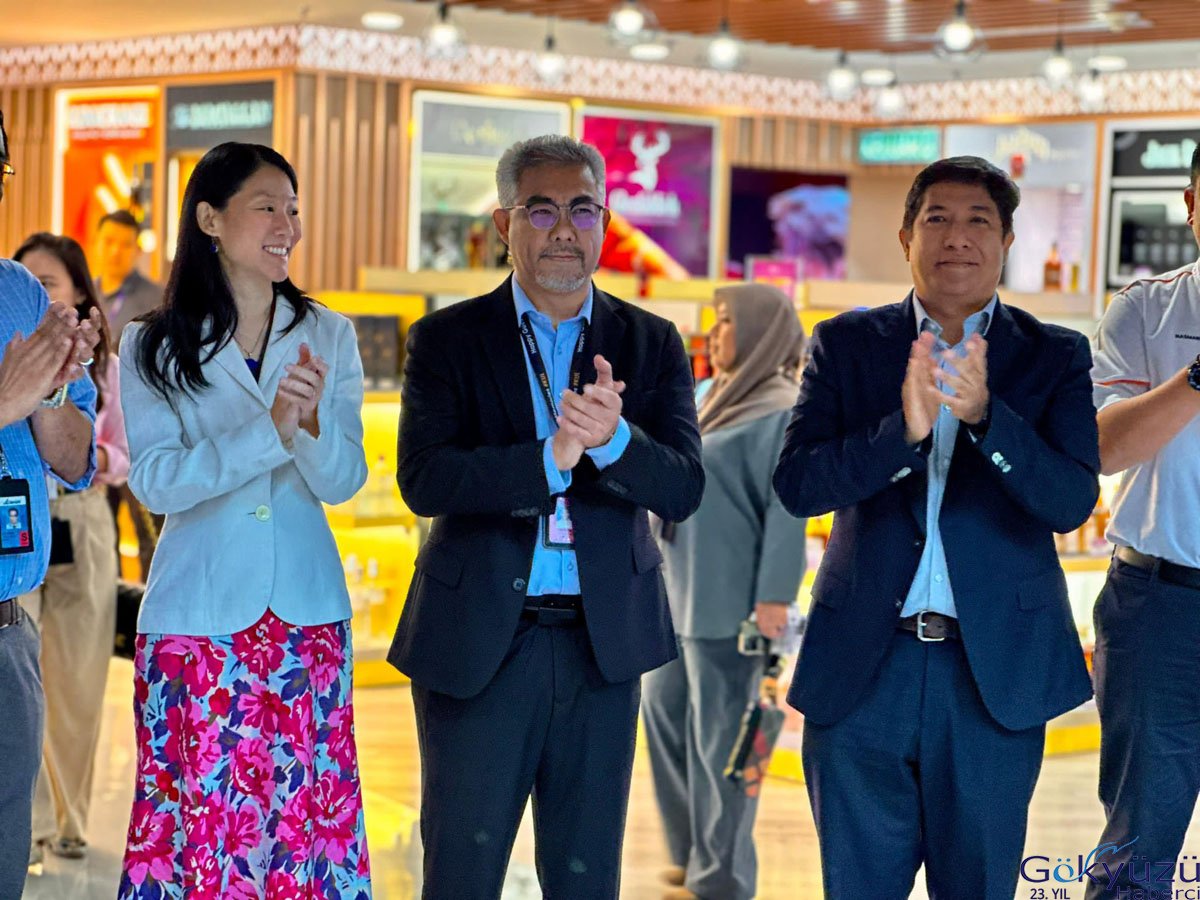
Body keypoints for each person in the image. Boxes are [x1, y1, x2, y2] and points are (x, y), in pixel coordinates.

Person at [773, 156, 1100, 899]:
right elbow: (799, 485)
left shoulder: (1054, 355)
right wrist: (902, 432)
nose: (957, 237)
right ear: (905, 236)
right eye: (938, 219)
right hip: (863, 670)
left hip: (993, 678)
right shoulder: (846, 344)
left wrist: (987, 419)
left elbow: (1070, 502)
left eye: (979, 221)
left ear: (1007, 240)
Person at [390, 134, 704, 899]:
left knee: (586, 875)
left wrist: (615, 441)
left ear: (605, 221)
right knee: (462, 871)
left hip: (604, 644)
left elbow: (683, 488)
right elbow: (425, 479)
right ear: (504, 223)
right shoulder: (448, 339)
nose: (564, 229)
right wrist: (549, 458)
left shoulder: (651, 341)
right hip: (480, 644)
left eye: (582, 209)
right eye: (541, 210)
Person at [117, 142, 371, 899]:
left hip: (305, 620)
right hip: (195, 620)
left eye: (293, 209)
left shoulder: (330, 334)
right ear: (209, 219)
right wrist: (271, 431)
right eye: (266, 207)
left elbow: (344, 481)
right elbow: (155, 482)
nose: (287, 225)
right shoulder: (150, 343)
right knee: (201, 825)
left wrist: (312, 426)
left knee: (303, 822)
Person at [642, 283, 807, 900]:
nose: (714, 333)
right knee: (664, 720)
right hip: (674, 596)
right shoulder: (710, 397)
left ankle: (723, 876)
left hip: (734, 606)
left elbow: (786, 510)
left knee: (732, 747)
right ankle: (689, 853)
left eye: (728, 321)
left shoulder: (784, 410)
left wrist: (774, 599)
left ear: (763, 331)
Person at [1085, 144, 1200, 898]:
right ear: (1192, 206)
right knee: (1139, 849)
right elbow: (1102, 448)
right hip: (1162, 609)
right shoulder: (1146, 309)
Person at [0, 107, 100, 899]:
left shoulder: (19, 294)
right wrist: (5, 401)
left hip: (7, 629)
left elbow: (74, 459)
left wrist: (57, 385)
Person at [15, 233, 129, 867]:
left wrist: (87, 450)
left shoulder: (102, 365)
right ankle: (29, 826)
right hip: (25, 521)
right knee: (23, 671)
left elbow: (123, 454)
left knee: (79, 678)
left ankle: (71, 819)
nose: (36, 294)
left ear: (79, 293)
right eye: (27, 280)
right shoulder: (13, 350)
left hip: (81, 520)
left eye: (48, 284)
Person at [94, 209, 163, 342]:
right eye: (108, 241)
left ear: (138, 250)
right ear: (96, 243)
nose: (115, 251)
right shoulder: (84, 292)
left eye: (125, 245)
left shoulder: (156, 299)